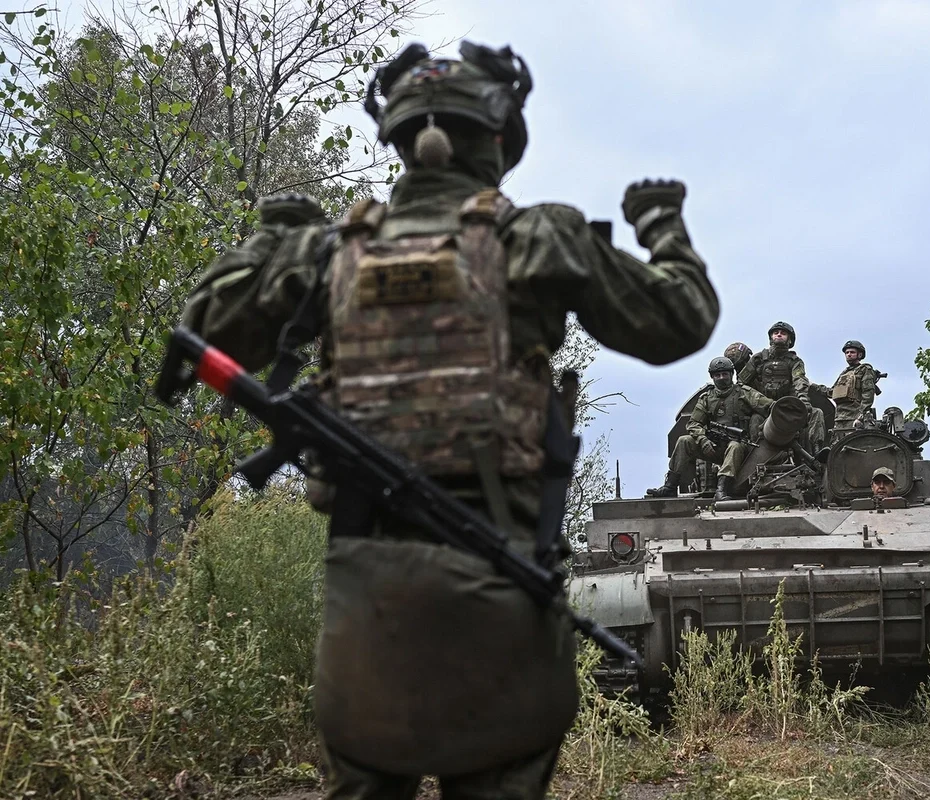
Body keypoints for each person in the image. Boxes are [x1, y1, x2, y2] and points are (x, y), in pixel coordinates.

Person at [178, 40, 719, 800]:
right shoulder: (536, 238)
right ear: (499, 139)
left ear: (400, 140)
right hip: (503, 587)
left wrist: (271, 242)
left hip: (367, 599)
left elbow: (203, 329)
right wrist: (663, 225)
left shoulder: (327, 253)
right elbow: (679, 321)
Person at [646, 356, 773, 501]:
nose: (721, 378)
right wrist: (703, 441)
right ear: (712, 377)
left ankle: (722, 489)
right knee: (684, 441)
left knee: (734, 446)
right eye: (717, 375)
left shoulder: (745, 393)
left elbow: (769, 406)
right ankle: (670, 487)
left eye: (725, 374)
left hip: (742, 450)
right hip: (714, 446)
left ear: (731, 374)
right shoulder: (706, 398)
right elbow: (693, 424)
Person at [738, 321, 823, 450]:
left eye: (783, 333)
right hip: (763, 408)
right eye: (776, 333)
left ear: (789, 339)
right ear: (771, 337)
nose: (779, 335)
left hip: (787, 408)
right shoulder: (758, 359)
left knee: (817, 413)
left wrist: (803, 400)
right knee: (754, 420)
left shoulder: (795, 362)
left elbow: (799, 380)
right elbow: (741, 383)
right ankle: (754, 455)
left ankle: (817, 451)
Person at [822, 339, 878, 439]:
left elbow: (868, 394)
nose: (849, 354)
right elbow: (832, 392)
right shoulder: (844, 373)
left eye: (852, 352)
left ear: (860, 355)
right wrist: (812, 386)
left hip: (854, 417)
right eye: (847, 352)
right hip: (839, 418)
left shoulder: (865, 369)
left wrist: (861, 417)